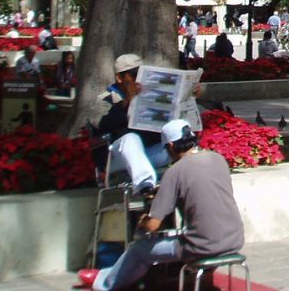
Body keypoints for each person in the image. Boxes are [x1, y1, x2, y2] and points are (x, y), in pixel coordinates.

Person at [78, 119, 244, 291]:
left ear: (171, 146)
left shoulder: (175, 171)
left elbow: (153, 225)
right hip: (235, 239)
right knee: (178, 237)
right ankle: (110, 273)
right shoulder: (218, 159)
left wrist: (143, 221)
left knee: (139, 249)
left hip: (201, 246)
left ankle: (104, 284)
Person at [92, 54, 168, 192]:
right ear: (119, 78)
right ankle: (145, 187)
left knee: (175, 139)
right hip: (117, 157)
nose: (138, 79)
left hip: (146, 153)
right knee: (130, 139)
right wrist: (127, 101)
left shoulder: (148, 96)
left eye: (141, 73)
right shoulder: (105, 99)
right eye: (133, 74)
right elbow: (102, 125)